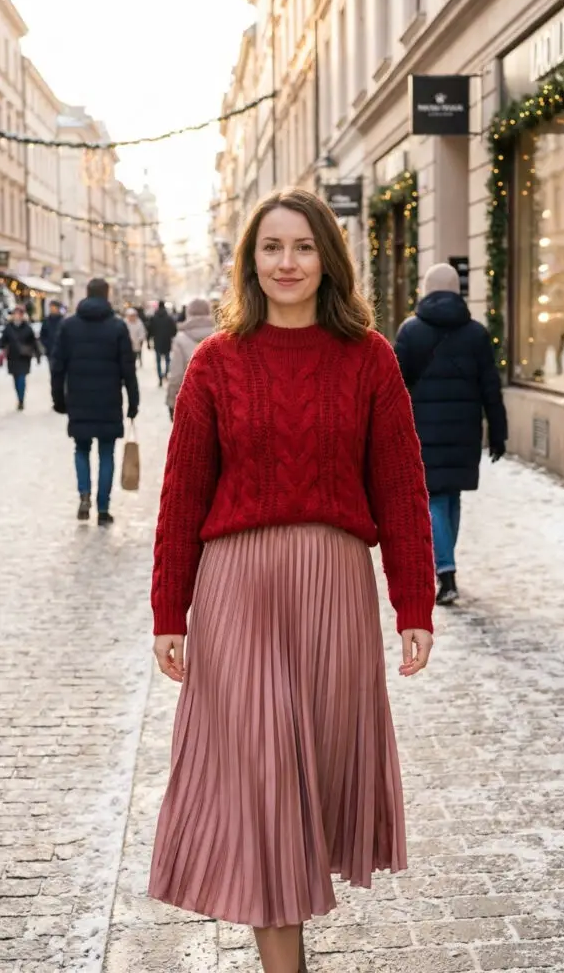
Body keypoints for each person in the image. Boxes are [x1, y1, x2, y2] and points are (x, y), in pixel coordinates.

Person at [148, 188, 435, 973]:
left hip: (334, 589)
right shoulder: (216, 362)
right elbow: (182, 494)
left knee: (312, 771)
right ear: (250, 262)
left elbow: (403, 487)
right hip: (237, 591)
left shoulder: (369, 359)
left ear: (327, 260)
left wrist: (414, 601)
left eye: (303, 247)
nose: (286, 262)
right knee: (262, 780)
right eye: (271, 248)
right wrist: (168, 610)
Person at [395, 262, 507, 606]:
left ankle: (445, 572)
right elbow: (491, 387)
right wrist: (498, 432)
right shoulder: (476, 333)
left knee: (435, 499)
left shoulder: (410, 331)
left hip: (423, 431)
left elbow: (395, 387)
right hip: (464, 432)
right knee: (450, 498)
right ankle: (446, 567)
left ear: (426, 290)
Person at [51, 277, 139, 526]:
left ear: (86, 294)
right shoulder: (117, 327)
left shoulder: (69, 327)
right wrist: (133, 402)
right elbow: (128, 369)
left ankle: (84, 495)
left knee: (81, 449)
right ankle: (102, 508)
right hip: (109, 400)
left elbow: (57, 367)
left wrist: (59, 399)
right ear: (107, 294)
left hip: (78, 399)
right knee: (107, 453)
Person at [165, 297, 214, 421]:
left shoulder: (180, 339)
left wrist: (171, 401)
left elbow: (176, 375)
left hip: (190, 401)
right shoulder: (222, 336)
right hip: (218, 403)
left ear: (188, 313)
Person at [0, 305, 41, 410]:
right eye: (15, 314)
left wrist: (38, 355)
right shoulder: (8, 328)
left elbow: (34, 342)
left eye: (19, 314)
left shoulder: (27, 328)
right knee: (15, 379)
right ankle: (19, 397)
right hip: (12, 357)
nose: (17, 316)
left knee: (21, 379)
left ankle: (21, 400)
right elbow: (3, 341)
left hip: (24, 357)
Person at [148, 301, 176, 387]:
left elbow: (150, 331)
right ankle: (166, 373)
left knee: (158, 361)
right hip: (167, 341)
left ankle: (160, 377)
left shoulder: (153, 318)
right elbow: (174, 331)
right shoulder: (169, 318)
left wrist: (149, 341)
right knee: (167, 359)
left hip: (157, 342)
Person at [40, 300, 64, 366]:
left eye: (54, 308)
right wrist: (47, 344)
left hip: (61, 352)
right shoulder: (46, 321)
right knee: (52, 370)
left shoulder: (63, 321)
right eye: (51, 307)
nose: (52, 309)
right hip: (50, 351)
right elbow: (42, 335)